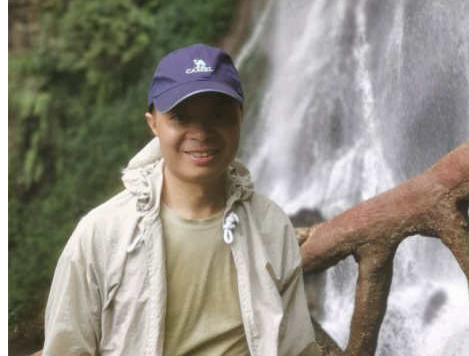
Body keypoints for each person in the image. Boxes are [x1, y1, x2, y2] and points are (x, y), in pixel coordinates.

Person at [42, 44, 320, 356]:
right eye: (181, 117)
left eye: (218, 114)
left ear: (240, 116)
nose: (201, 133)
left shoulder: (270, 225)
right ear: (153, 124)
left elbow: (297, 348)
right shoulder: (102, 233)